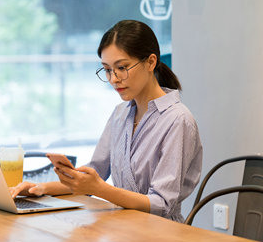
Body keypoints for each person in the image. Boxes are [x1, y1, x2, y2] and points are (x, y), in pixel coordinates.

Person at [10, 20, 203, 222]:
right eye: (108, 70)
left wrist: (99, 189)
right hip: (122, 229)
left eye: (122, 67)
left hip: (161, 235)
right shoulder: (120, 114)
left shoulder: (178, 120)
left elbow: (160, 204)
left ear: (151, 62)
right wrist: (38, 189)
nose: (114, 79)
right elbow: (96, 172)